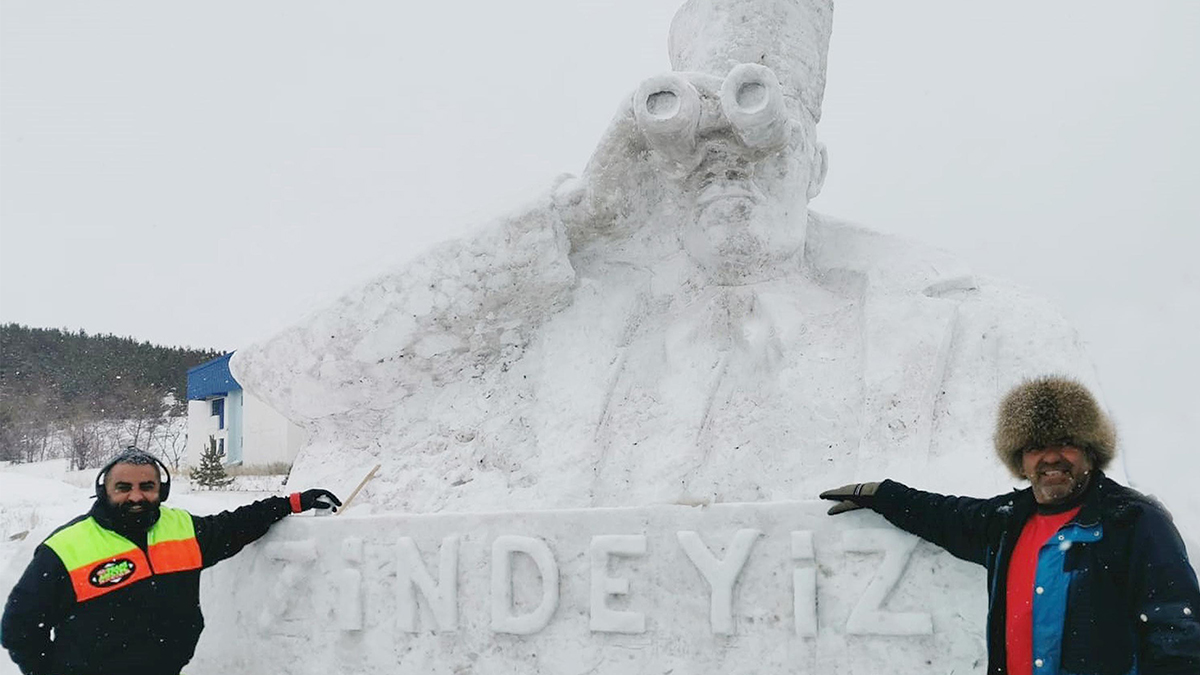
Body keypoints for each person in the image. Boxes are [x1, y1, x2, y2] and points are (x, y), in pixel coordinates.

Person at [229, 0, 1098, 514]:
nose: (724, 159)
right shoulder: (564, 314)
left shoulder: (978, 322)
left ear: (818, 167)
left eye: (757, 136)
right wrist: (581, 217)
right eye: (694, 143)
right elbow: (302, 378)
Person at [821, 376, 1200, 674]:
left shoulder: (1133, 522)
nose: (1051, 456)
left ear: (1090, 451)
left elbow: (1177, 635)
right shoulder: (1006, 522)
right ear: (1020, 459)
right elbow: (942, 515)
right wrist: (882, 495)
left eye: (1065, 442)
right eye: (1035, 446)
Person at [1, 448, 341, 675]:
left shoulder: (182, 529)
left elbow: (235, 525)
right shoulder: (66, 547)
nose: (136, 496)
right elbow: (18, 628)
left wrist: (293, 502)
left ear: (160, 491)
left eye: (146, 486)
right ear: (104, 490)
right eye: (124, 487)